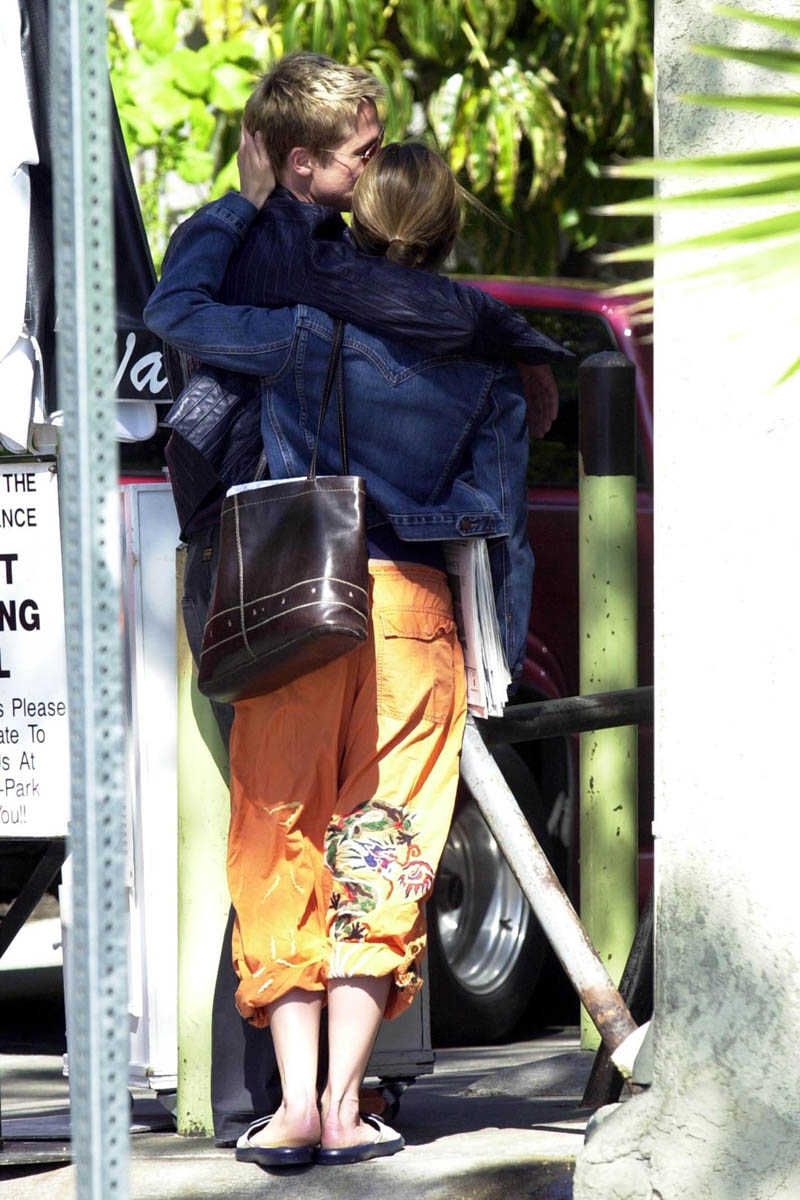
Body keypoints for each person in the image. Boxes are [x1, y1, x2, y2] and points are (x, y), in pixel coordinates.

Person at [153, 50, 569, 1149]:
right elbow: (503, 527)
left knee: (276, 838)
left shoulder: (302, 326)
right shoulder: (485, 355)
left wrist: (244, 206)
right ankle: (348, 1104)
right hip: (413, 621)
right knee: (382, 848)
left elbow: (177, 314)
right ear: (444, 232)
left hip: (298, 601)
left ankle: (290, 1106)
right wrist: (495, 658)